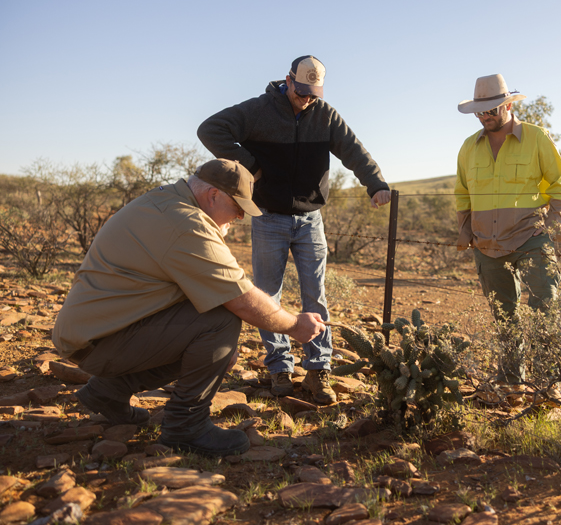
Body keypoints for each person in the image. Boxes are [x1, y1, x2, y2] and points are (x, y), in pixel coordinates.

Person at [53, 159, 325, 457]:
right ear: (213, 195)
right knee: (221, 319)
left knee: (216, 343)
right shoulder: (186, 224)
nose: (237, 218)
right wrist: (295, 325)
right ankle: (186, 425)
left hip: (96, 333)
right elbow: (241, 298)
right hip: (100, 342)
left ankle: (108, 391)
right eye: (237, 209)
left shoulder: (164, 199)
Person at [197, 55, 390, 405]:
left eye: (313, 93)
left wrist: (375, 183)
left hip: (310, 219)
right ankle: (280, 367)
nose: (307, 99)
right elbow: (210, 129)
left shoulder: (325, 115)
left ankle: (318, 370)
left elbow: (354, 151)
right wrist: (250, 164)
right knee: (267, 295)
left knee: (316, 295)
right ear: (288, 81)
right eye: (301, 92)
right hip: (268, 216)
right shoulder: (258, 110)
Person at [455, 74, 561, 382]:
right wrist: (466, 233)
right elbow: (462, 193)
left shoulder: (536, 137)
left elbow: (560, 187)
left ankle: (549, 388)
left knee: (544, 309)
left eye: (491, 110)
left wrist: (549, 228)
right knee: (503, 318)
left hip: (530, 238)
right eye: (480, 112)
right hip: (486, 246)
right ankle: (510, 383)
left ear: (508, 105)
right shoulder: (469, 147)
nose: (485, 117)